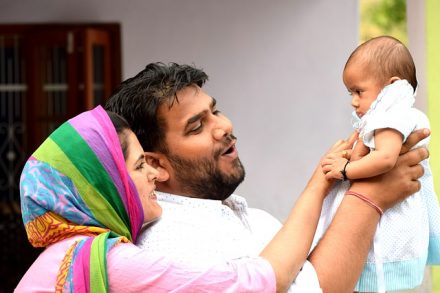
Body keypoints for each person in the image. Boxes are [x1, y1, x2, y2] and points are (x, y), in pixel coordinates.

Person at [105, 62, 429, 292]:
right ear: (155, 165)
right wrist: (368, 197)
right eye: (196, 126)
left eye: (214, 111)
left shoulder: (249, 217)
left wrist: (336, 178)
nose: (224, 126)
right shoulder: (170, 243)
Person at [16, 105, 337, 292]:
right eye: (141, 165)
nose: (154, 174)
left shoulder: (67, 255)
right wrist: (319, 183)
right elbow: (259, 282)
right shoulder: (113, 263)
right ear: (105, 186)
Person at [316, 36, 440, 292]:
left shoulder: (392, 117)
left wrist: (346, 169)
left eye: (359, 91)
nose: (353, 101)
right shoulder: (396, 117)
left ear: (392, 87)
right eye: (350, 93)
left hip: (393, 217)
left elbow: (385, 158)